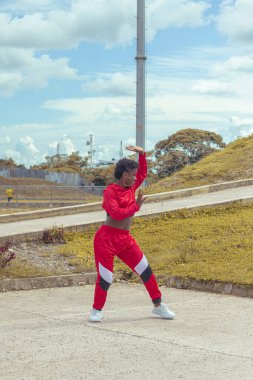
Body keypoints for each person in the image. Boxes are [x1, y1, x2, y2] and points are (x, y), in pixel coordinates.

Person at [89, 145, 175, 322]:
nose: (134, 178)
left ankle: (158, 306)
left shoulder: (131, 187)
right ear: (122, 174)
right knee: (106, 278)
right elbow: (116, 214)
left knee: (146, 270)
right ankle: (96, 310)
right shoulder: (110, 192)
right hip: (106, 239)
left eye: (134, 175)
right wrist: (136, 206)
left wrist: (142, 154)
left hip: (125, 239)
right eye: (130, 175)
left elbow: (143, 172)